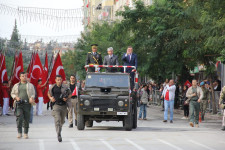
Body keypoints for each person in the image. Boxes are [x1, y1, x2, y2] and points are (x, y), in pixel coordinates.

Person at [11, 72, 36, 139]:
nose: (24, 77)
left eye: (25, 76)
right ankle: (19, 132)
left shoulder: (30, 85)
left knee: (26, 119)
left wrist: (32, 98)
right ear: (20, 77)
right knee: (19, 118)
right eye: (23, 76)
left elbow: (33, 93)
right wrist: (16, 98)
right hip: (19, 104)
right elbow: (12, 93)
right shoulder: (16, 85)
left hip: (27, 104)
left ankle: (25, 133)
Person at [48, 75, 71, 142]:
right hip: (56, 105)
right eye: (58, 80)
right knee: (57, 120)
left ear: (62, 80)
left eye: (60, 79)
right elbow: (48, 93)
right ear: (55, 80)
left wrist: (66, 98)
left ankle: (59, 130)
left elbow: (70, 94)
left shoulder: (66, 87)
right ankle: (59, 134)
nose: (59, 81)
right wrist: (51, 98)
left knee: (62, 121)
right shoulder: (53, 87)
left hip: (63, 106)